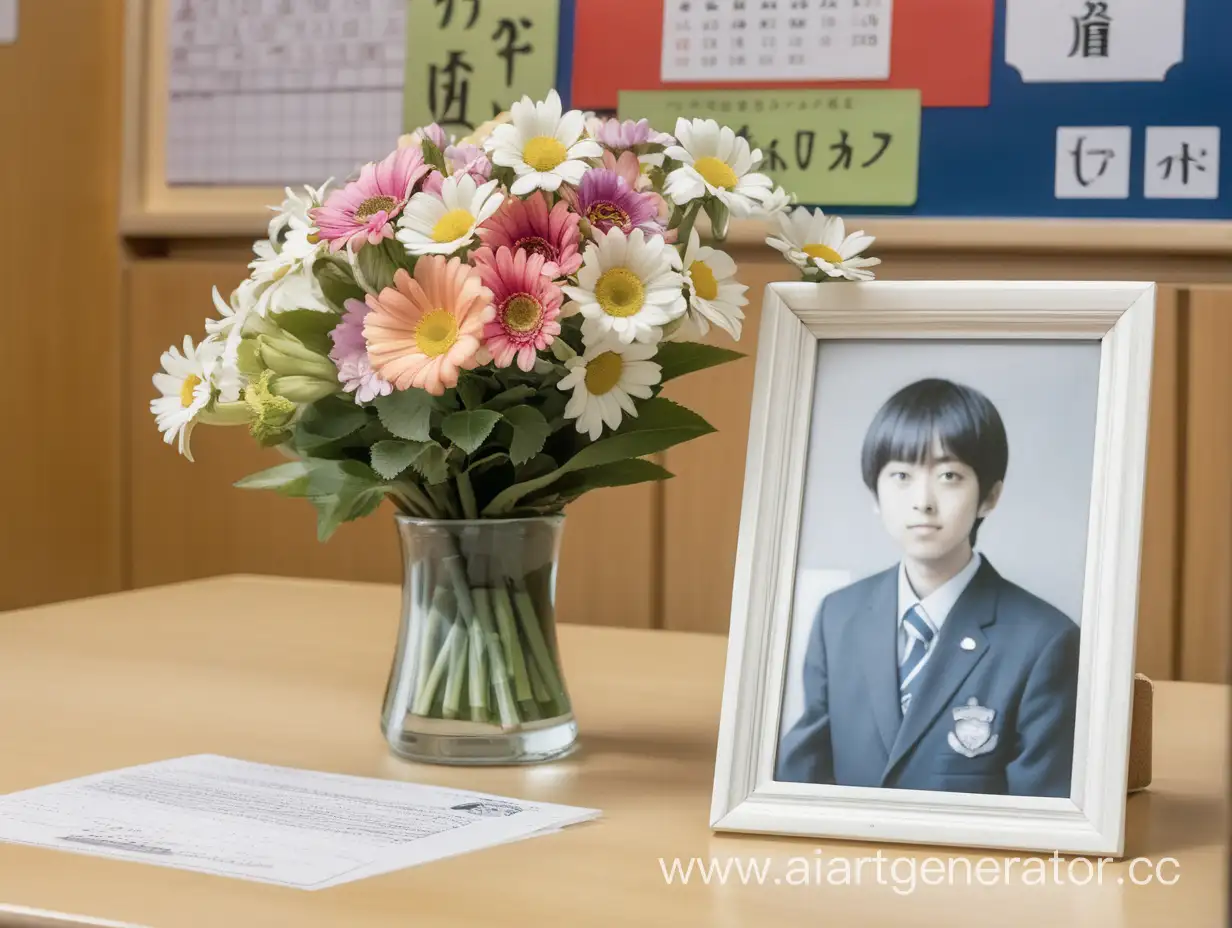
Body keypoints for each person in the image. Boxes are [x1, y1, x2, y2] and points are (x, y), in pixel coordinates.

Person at [776, 378, 1080, 797]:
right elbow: (800, 777)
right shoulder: (838, 616)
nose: (923, 500)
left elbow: (1043, 818)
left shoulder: (1045, 642)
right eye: (901, 474)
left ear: (990, 497)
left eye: (949, 475)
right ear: (875, 495)